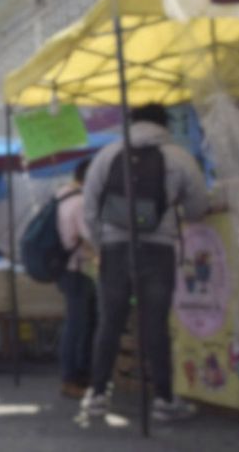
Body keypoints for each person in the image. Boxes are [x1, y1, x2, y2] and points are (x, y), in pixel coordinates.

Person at [81, 104, 209, 421]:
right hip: (158, 249)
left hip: (114, 249)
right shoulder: (178, 157)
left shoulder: (107, 154)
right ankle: (164, 400)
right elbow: (198, 207)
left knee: (110, 322)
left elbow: (89, 208)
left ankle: (97, 395)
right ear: (165, 123)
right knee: (155, 325)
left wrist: (103, 244)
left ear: (131, 121)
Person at [55, 159, 97, 398]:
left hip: (67, 269)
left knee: (76, 324)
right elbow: (89, 237)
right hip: (78, 268)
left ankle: (75, 375)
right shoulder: (80, 202)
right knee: (77, 326)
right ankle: (72, 377)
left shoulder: (61, 198)